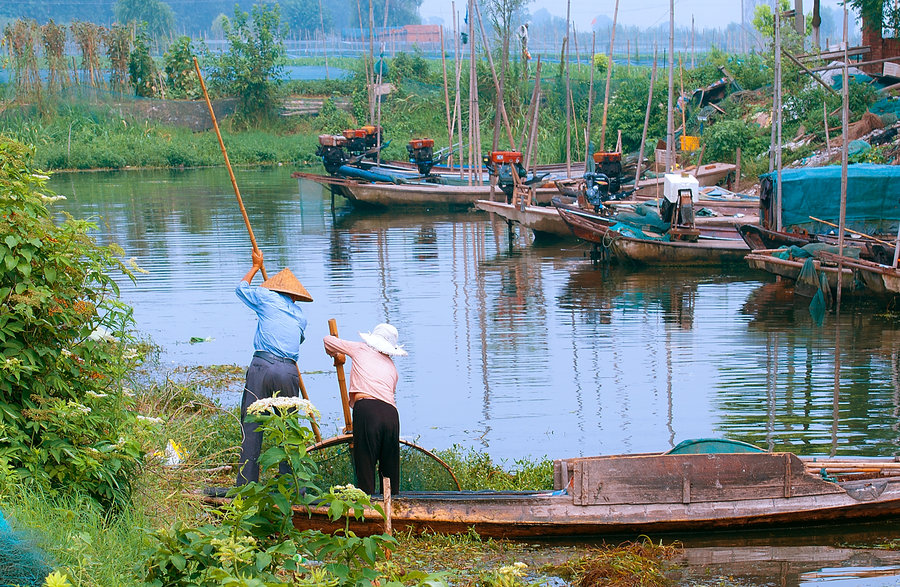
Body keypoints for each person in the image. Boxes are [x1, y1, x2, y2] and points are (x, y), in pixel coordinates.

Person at [235, 249, 313, 485]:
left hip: (263, 366)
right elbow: (296, 341)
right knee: (288, 427)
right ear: (295, 297)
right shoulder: (300, 317)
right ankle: (289, 485)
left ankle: (246, 485)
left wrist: (255, 267)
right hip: (288, 371)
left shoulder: (266, 298)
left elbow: (241, 289)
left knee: (252, 425)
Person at [323, 323, 407, 495]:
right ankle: (391, 505)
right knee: (389, 466)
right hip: (391, 415)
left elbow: (328, 341)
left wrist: (335, 354)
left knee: (365, 461)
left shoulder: (361, 349)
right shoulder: (392, 368)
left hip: (368, 410)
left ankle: (365, 504)